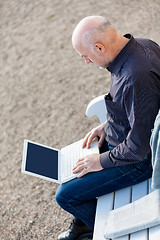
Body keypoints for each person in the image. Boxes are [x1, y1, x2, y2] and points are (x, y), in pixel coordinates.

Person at [55, 16, 160, 240]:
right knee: (68, 171)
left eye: (86, 56)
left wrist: (99, 161)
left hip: (137, 162)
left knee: (65, 196)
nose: (86, 61)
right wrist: (107, 125)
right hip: (120, 142)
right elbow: (140, 109)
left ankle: (103, 232)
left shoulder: (136, 77)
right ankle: (84, 224)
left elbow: (137, 150)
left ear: (99, 47)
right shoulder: (142, 45)